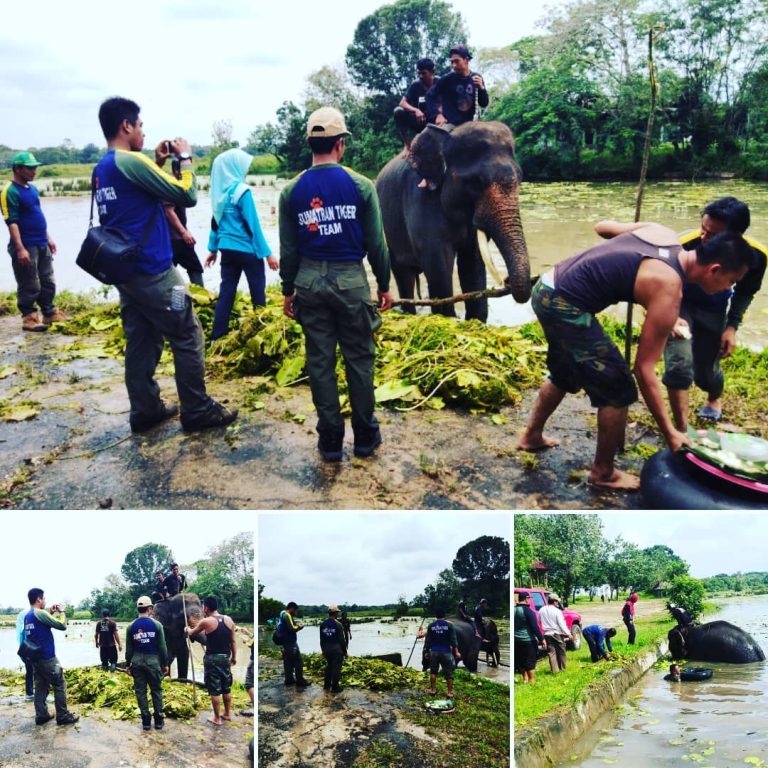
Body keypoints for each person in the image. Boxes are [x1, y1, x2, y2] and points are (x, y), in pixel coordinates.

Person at [518, 222, 754, 491]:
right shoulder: (669, 287)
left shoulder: (662, 233)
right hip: (565, 304)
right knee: (618, 388)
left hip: (549, 285)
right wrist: (671, 433)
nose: (728, 289)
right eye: (731, 281)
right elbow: (644, 369)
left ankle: (531, 436)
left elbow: (604, 228)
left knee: (565, 370)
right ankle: (603, 473)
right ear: (714, 270)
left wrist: (621, 257)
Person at [94, 96, 237, 434]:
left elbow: (139, 200)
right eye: (140, 125)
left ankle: (145, 410)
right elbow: (186, 195)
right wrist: (184, 159)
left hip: (127, 277)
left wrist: (157, 164)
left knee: (142, 339)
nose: (143, 132)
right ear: (126, 126)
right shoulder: (132, 161)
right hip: (159, 276)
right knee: (186, 331)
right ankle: (198, 409)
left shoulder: (103, 167)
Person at [279, 106, 393, 461]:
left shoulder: (290, 191)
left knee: (319, 361)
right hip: (351, 281)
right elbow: (377, 243)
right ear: (341, 144)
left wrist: (287, 289)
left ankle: (329, 441)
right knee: (359, 358)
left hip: (309, 282)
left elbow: (288, 249)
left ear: (310, 145)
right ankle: (364, 437)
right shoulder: (361, 186)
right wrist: (385, 285)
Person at [658, 198, 766, 427]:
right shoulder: (683, 243)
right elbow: (662, 277)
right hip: (681, 302)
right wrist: (670, 314)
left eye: (713, 234)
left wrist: (731, 327)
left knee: (706, 372)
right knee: (679, 361)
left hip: (714, 308)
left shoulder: (755, 257)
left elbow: (745, 292)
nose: (704, 238)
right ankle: (681, 428)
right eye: (703, 229)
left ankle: (714, 397)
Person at [205, 148, 278, 340]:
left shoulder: (218, 194)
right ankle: (262, 331)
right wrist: (268, 254)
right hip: (246, 250)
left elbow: (215, 223)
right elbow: (253, 225)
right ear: (234, 168)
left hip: (227, 250)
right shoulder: (241, 191)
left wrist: (212, 249)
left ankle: (217, 336)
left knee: (226, 292)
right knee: (257, 290)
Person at [1, 151, 65, 332]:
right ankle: (29, 318)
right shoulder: (9, 191)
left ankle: (49, 312)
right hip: (25, 244)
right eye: (30, 168)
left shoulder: (33, 189)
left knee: (47, 280)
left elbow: (37, 216)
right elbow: (11, 222)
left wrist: (48, 238)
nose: (34, 171)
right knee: (30, 283)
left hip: (41, 242)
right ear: (18, 169)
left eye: (35, 167)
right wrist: (20, 249)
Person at [23, 588, 79, 725]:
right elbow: (62, 625)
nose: (45, 601)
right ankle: (63, 716)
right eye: (44, 598)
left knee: (41, 686)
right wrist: (62, 612)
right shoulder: (40, 613)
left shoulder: (28, 616)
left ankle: (41, 715)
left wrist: (51, 613)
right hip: (47, 657)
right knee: (59, 683)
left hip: (35, 658)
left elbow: (40, 626)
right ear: (38, 599)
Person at [187, 596, 237, 725]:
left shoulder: (206, 621)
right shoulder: (229, 620)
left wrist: (186, 629)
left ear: (206, 608)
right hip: (226, 657)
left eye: (203, 606)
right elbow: (233, 641)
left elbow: (192, 633)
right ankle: (227, 714)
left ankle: (217, 718)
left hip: (212, 659)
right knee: (226, 687)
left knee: (214, 689)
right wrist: (234, 657)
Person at [126, 595, 168, 731]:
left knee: (140, 692)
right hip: (153, 662)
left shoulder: (130, 627)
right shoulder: (157, 625)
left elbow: (129, 649)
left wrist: (128, 665)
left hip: (137, 663)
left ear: (138, 609)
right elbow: (162, 647)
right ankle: (159, 721)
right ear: (150, 609)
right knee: (156, 690)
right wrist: (165, 663)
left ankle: (145, 721)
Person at [425, 45, 488, 127]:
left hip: (470, 125)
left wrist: (481, 89)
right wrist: (437, 115)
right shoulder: (447, 79)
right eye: (452, 62)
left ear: (466, 60)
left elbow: (484, 103)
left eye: (457, 61)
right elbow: (429, 96)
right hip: (450, 124)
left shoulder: (476, 78)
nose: (454, 65)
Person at [165, 157, 205, 287]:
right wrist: (184, 233)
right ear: (177, 171)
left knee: (167, 271)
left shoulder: (177, 185)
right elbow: (169, 211)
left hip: (168, 238)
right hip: (176, 238)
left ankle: (170, 301)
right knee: (195, 267)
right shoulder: (172, 186)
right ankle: (201, 299)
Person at [393, 57, 436, 148]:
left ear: (432, 71)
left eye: (424, 73)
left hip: (436, 121)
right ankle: (407, 145)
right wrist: (416, 110)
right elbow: (402, 103)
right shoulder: (415, 85)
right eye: (418, 73)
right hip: (421, 122)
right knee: (398, 111)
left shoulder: (440, 82)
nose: (420, 76)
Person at [424, 607, 461, 698]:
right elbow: (453, 640)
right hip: (446, 652)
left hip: (434, 652)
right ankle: (449, 692)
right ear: (445, 616)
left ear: (436, 616)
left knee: (433, 672)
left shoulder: (431, 626)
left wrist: (426, 651)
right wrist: (456, 652)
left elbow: (428, 640)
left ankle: (433, 690)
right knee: (449, 673)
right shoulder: (449, 626)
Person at [278, 601, 311, 687]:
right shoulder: (287, 615)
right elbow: (292, 628)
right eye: (295, 611)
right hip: (291, 643)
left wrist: (295, 623)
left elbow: (288, 625)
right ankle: (300, 680)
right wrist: (300, 627)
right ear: (292, 608)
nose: (295, 613)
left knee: (288, 661)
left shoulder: (282, 614)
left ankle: (289, 679)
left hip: (285, 642)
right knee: (298, 661)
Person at [514, 592, 544, 684]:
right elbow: (535, 627)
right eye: (529, 598)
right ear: (526, 599)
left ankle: (524, 679)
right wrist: (541, 639)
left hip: (516, 640)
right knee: (530, 660)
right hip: (528, 640)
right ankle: (532, 680)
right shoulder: (529, 611)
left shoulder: (514, 610)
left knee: (520, 659)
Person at [539, 593, 572, 673]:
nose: (557, 603)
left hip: (547, 634)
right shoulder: (557, 611)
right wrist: (568, 634)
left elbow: (539, 621)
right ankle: (563, 668)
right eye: (557, 601)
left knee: (551, 652)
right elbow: (561, 624)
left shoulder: (541, 610)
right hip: (556, 633)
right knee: (561, 651)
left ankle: (555, 670)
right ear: (554, 601)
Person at [319, 605, 348, 693]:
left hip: (326, 649)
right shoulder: (338, 624)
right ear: (335, 613)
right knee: (336, 668)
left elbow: (321, 639)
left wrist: (323, 651)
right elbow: (342, 640)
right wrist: (345, 652)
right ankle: (335, 687)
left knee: (329, 666)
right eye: (338, 612)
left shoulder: (322, 624)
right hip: (336, 649)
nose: (338, 614)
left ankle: (326, 685)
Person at [15, 606, 34, 700]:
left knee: (30, 671)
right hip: (29, 649)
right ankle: (31, 693)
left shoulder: (23, 616)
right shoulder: (26, 616)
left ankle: (30, 693)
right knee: (32, 671)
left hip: (26, 649)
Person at [237, 625, 254, 716]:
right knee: (252, 683)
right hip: (254, 659)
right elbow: (253, 644)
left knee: (249, 683)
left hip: (253, 661)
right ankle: (253, 701)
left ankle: (254, 708)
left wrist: (247, 635)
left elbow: (254, 644)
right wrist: (247, 641)